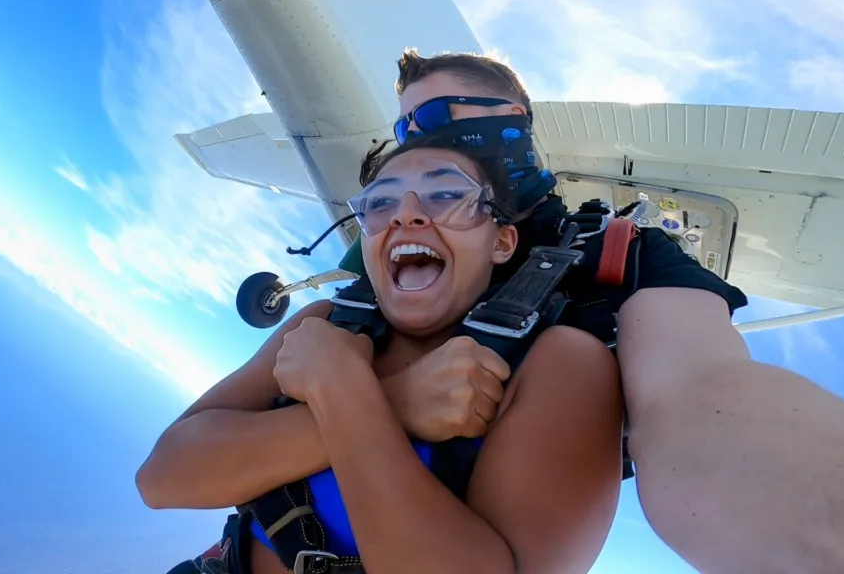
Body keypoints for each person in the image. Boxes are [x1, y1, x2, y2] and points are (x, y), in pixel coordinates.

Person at [390, 49, 844, 571]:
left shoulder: (623, 252)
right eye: (404, 127)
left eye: (432, 116)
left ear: (510, 118)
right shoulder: (382, 268)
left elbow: (696, 392)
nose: (416, 137)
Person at [142, 131, 625, 573]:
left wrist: (339, 387)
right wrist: (398, 402)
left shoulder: (563, 364)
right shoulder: (327, 323)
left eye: (446, 195)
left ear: (501, 241)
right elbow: (163, 476)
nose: (404, 214)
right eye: (380, 202)